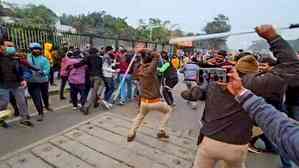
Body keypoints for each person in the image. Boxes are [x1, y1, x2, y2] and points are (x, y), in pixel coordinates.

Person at [184, 25, 299, 168]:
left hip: (210, 141)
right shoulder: (257, 83)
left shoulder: (219, 79)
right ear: (255, 71)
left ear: (236, 66)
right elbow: (293, 69)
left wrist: (191, 92)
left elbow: (198, 93)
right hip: (238, 145)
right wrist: (273, 37)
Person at [223, 67, 299, 166]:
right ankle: (280, 157)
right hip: (271, 110)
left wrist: (242, 93)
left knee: (279, 131)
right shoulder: (276, 78)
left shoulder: (257, 80)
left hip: (265, 111)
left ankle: (280, 157)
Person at [127, 48, 172, 142]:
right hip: (154, 102)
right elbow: (156, 55)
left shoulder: (139, 69)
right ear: (152, 61)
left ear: (142, 59)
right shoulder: (151, 71)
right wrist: (145, 49)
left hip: (143, 102)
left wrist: (141, 51)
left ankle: (131, 133)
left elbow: (152, 58)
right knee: (168, 111)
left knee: (140, 116)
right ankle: (161, 130)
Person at [0, 34, 34, 128]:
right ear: (1, 46)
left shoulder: (14, 57)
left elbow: (17, 70)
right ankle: (1, 119)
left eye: (12, 46)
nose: (12, 48)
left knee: (22, 101)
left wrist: (22, 79)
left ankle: (24, 119)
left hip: (16, 83)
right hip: (3, 84)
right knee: (3, 103)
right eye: (9, 46)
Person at [74, 48, 105, 115]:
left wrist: (74, 65)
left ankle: (95, 101)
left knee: (93, 90)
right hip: (98, 76)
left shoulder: (88, 57)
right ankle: (86, 106)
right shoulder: (100, 58)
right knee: (95, 91)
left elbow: (81, 63)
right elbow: (100, 68)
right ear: (96, 52)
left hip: (91, 77)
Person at [27, 43, 51, 121]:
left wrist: (43, 72)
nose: (37, 50)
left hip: (43, 81)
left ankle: (47, 105)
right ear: (31, 50)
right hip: (32, 82)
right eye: (35, 49)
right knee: (36, 98)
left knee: (45, 95)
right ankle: (40, 113)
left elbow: (47, 69)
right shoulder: (27, 57)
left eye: (38, 49)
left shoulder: (44, 59)